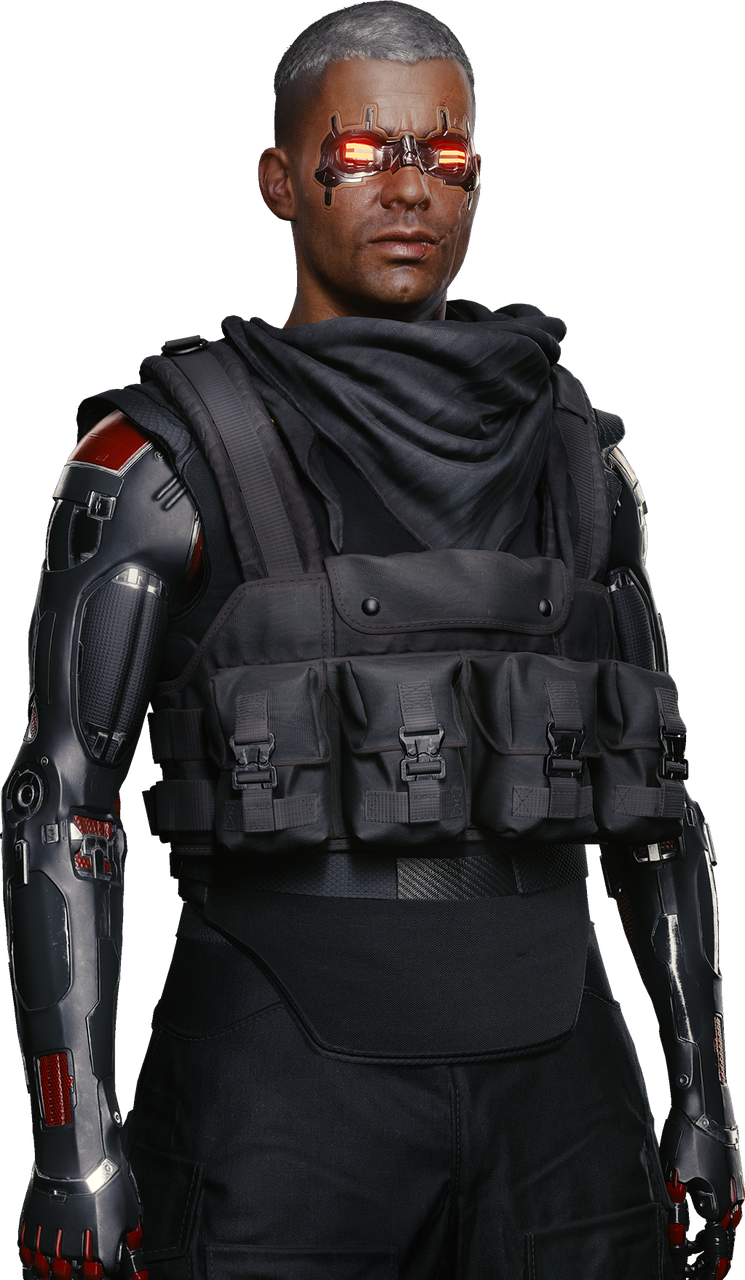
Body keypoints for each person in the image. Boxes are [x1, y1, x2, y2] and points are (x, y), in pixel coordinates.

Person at [4, 4, 741, 1277]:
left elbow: (655, 806)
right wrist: (72, 1146)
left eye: (444, 157)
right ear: (278, 180)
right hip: (278, 1096)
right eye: (358, 154)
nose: (408, 189)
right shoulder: (163, 461)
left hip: (564, 1098)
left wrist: (704, 1093)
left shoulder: (583, 465)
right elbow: (62, 801)